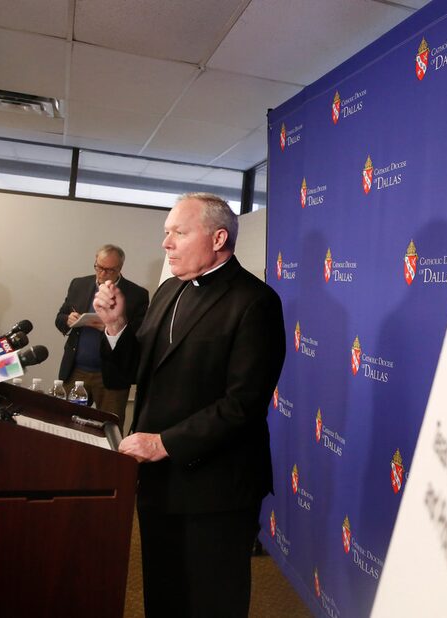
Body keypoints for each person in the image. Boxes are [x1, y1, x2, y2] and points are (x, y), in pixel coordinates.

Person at [93, 193, 286, 618]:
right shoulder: (167, 291)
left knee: (210, 601)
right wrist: (114, 326)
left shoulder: (255, 302)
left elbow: (244, 404)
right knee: (163, 594)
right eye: (166, 233)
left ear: (218, 238)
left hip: (216, 488)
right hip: (159, 481)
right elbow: (132, 372)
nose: (166, 244)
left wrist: (165, 443)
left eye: (178, 233)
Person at [55, 244, 148, 429]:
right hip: (75, 370)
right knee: (64, 422)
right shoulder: (78, 284)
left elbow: (140, 336)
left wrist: (112, 327)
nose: (103, 273)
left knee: (108, 429)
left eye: (109, 270)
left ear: (120, 268)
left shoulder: (137, 294)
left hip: (111, 375)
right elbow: (59, 317)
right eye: (99, 267)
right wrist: (68, 319)